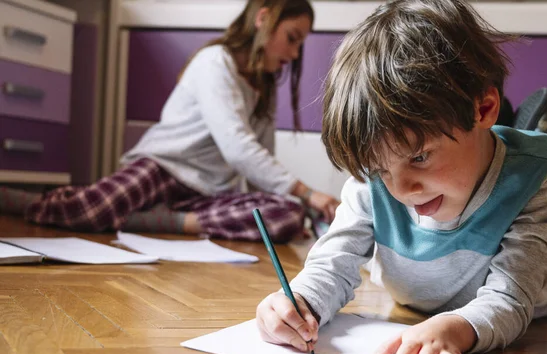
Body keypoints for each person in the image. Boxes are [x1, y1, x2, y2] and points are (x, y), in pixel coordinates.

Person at [255, 0, 547, 354]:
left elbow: (509, 298)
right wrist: (299, 303)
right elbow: (332, 263)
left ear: (483, 107)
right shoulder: (375, 178)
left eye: (419, 157)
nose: (401, 190)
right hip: (432, 285)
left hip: (546, 283)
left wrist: (452, 329)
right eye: (381, 168)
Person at [0, 0, 340, 243]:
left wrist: (289, 206)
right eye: (292, 38)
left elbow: (257, 165)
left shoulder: (265, 89)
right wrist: (308, 193)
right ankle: (13, 199)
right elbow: (238, 148)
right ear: (263, 19)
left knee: (284, 215)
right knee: (86, 212)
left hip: (205, 194)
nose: (295, 54)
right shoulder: (214, 63)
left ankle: (146, 220)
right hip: (163, 169)